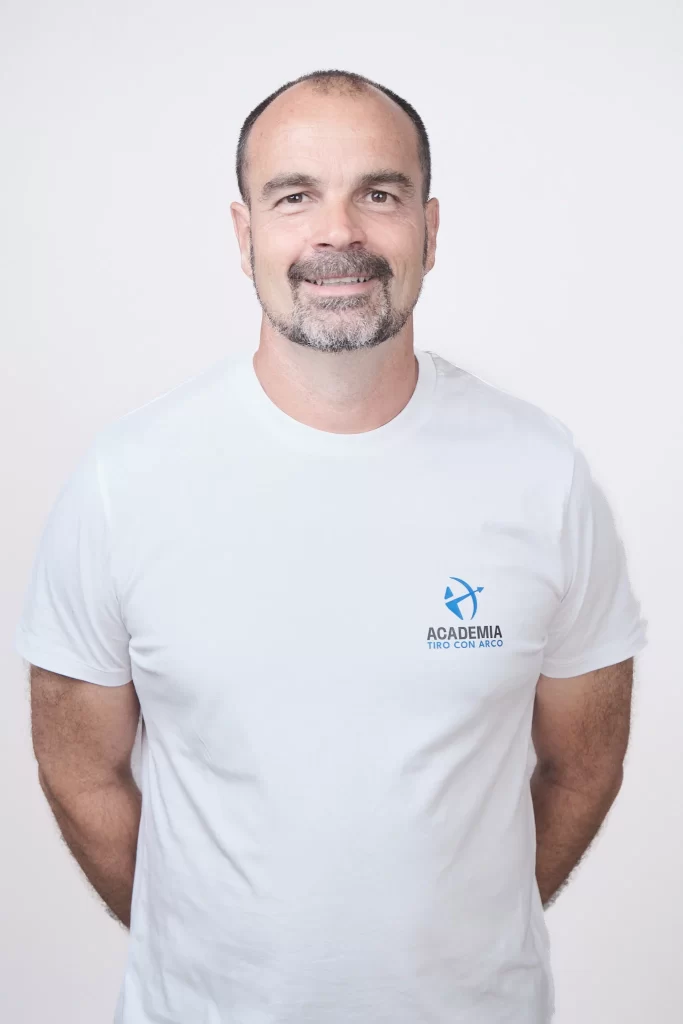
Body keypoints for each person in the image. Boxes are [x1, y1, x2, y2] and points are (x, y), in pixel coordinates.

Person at [15, 69, 648, 1024]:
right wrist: (207, 949)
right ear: (244, 236)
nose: (339, 233)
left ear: (430, 232)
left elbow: (582, 764)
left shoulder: (541, 473)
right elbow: (79, 767)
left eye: (379, 194)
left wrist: (463, 941)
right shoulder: (126, 481)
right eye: (295, 194)